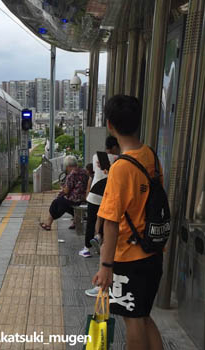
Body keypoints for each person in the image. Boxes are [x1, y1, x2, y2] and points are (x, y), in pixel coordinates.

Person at [92, 95, 164, 350]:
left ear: (109, 125)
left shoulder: (121, 168)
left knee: (132, 321)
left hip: (129, 258)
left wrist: (105, 266)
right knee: (142, 316)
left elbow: (111, 223)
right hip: (153, 251)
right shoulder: (150, 156)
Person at [79, 136, 120, 259]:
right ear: (114, 147)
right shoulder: (118, 159)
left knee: (91, 221)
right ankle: (100, 240)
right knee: (105, 221)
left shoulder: (96, 156)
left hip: (94, 194)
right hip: (108, 195)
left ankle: (86, 249)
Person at [40, 155, 88, 231]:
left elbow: (66, 191)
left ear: (68, 166)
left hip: (74, 200)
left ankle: (48, 224)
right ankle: (75, 221)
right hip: (84, 198)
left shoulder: (71, 175)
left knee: (57, 202)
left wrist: (62, 188)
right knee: (65, 203)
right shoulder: (84, 172)